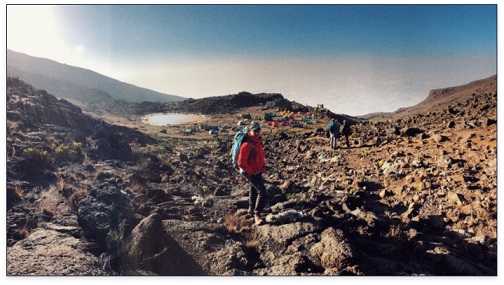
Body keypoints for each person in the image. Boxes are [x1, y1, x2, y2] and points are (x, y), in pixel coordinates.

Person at [237, 122, 267, 225]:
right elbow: (241, 162)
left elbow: (260, 156)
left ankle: (250, 208)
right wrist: (251, 172)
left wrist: (262, 166)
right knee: (262, 192)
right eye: (255, 131)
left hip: (258, 171)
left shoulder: (257, 143)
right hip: (252, 172)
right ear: (250, 131)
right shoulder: (247, 145)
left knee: (253, 190)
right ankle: (257, 214)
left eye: (258, 130)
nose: (257, 132)